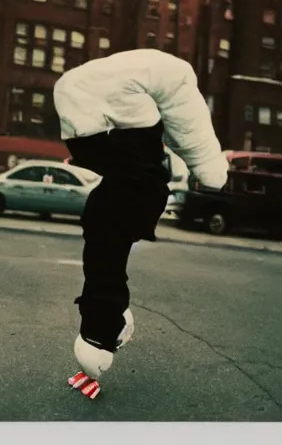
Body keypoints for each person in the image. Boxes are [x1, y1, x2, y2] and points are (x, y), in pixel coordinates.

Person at [53, 48, 229, 399]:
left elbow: (179, 134)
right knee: (112, 244)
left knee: (108, 248)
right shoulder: (170, 82)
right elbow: (190, 132)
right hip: (122, 153)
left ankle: (104, 331)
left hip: (76, 114)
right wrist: (211, 174)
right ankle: (101, 335)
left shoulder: (120, 176)